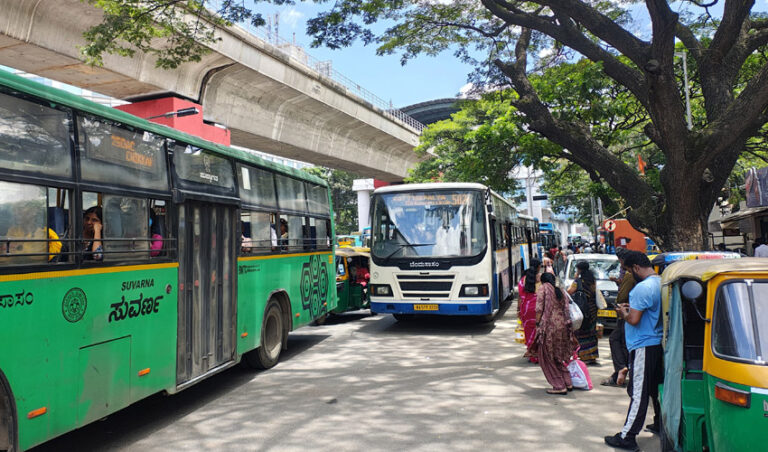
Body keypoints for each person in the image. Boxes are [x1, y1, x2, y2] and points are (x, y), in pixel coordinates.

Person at [604, 251, 664, 451]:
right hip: (656, 344)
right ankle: (661, 424)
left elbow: (634, 320)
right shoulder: (660, 282)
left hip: (642, 344)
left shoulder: (641, 288)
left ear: (636, 268)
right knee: (656, 391)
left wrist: (623, 313)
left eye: (629, 270)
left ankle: (627, 437)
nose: (630, 274)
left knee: (638, 392)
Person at [532, 272, 577, 395]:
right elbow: (567, 308)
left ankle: (559, 385)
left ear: (543, 281)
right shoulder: (560, 290)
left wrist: (537, 324)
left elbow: (539, 308)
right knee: (558, 356)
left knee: (547, 357)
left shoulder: (543, 288)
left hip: (549, 327)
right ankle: (568, 382)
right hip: (562, 326)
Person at [602, 248, 634, 387]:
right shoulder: (631, 275)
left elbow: (621, 296)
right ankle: (619, 371)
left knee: (615, 339)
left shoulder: (629, 275)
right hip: (630, 313)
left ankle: (621, 367)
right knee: (621, 342)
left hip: (627, 314)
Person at [567, 261, 599, 364]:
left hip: (583, 309)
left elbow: (570, 292)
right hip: (592, 310)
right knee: (591, 332)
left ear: (579, 270)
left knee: (581, 332)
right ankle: (592, 355)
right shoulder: (592, 280)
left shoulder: (578, 281)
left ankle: (584, 355)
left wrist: (576, 277)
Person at [517, 259, 542, 363]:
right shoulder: (541, 278)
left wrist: (518, 310)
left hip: (526, 309)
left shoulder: (523, 280)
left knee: (529, 333)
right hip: (539, 309)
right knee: (539, 332)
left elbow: (520, 297)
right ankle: (539, 355)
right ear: (539, 267)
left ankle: (532, 356)